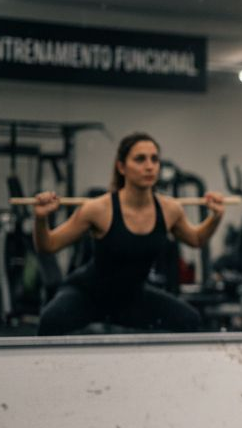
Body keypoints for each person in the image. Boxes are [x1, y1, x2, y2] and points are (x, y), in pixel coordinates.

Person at [32, 133, 226, 335]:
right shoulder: (98, 209)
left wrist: (216, 217)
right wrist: (40, 218)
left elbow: (195, 239)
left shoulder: (170, 209)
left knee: (189, 320)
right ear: (121, 167)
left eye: (154, 159)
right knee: (50, 321)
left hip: (133, 296)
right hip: (88, 294)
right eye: (140, 159)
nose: (149, 166)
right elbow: (48, 245)